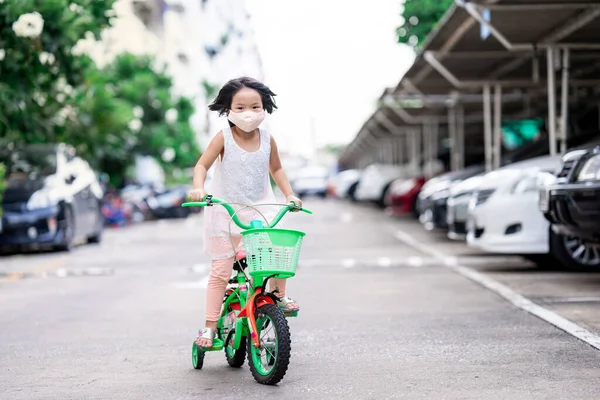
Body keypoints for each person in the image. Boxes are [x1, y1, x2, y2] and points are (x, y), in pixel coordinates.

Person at [188, 76, 302, 348]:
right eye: (240, 108)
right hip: (224, 211)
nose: (248, 113)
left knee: (275, 257)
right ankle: (209, 327)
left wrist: (289, 194)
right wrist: (198, 189)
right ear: (227, 110)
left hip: (260, 208)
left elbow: (277, 170)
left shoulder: (268, 139)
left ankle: (278, 297)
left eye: (255, 106)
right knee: (220, 271)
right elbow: (201, 166)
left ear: (264, 108)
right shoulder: (223, 137)